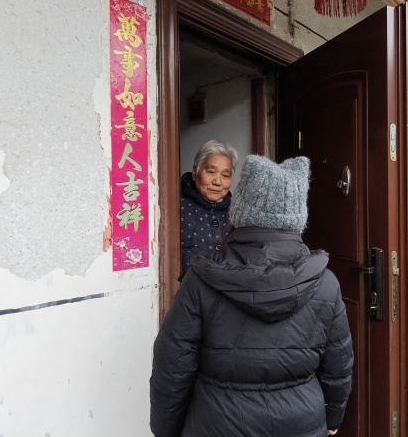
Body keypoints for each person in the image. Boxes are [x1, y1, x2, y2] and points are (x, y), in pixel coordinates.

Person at [150, 155, 354, 437]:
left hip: (217, 425)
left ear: (240, 210)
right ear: (298, 216)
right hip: (301, 423)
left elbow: (173, 365)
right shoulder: (326, 282)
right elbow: (338, 364)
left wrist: (166, 429)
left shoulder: (202, 278)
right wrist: (333, 417)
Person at [180, 140, 239, 272]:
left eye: (225, 175)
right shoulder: (174, 204)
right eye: (211, 172)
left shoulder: (238, 212)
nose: (218, 182)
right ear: (195, 173)